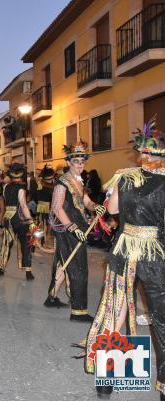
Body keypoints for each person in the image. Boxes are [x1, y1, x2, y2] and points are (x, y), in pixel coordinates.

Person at [83, 120, 165, 399]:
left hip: (125, 249)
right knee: (161, 318)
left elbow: (113, 209)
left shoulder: (125, 176)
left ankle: (106, 381)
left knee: (116, 311)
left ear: (142, 153)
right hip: (155, 253)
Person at [46, 141, 105, 321]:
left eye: (82, 161)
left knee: (63, 262)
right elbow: (57, 208)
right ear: (69, 163)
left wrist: (96, 206)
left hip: (76, 225)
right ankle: (78, 310)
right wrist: (72, 228)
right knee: (78, 266)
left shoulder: (78, 180)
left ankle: (52, 297)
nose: (80, 165)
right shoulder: (62, 183)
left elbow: (85, 201)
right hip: (66, 227)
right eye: (76, 161)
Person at [0, 163, 36, 280]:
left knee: (6, 244)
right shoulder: (21, 188)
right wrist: (31, 221)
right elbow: (23, 205)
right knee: (25, 244)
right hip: (20, 219)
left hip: (8, 218)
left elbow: (4, 201)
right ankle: (28, 271)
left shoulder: (5, 187)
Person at [36, 164, 55, 247]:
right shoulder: (52, 187)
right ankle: (44, 239)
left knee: (40, 222)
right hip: (47, 206)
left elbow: (36, 194)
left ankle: (39, 239)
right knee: (46, 223)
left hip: (41, 205)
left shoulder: (40, 184)